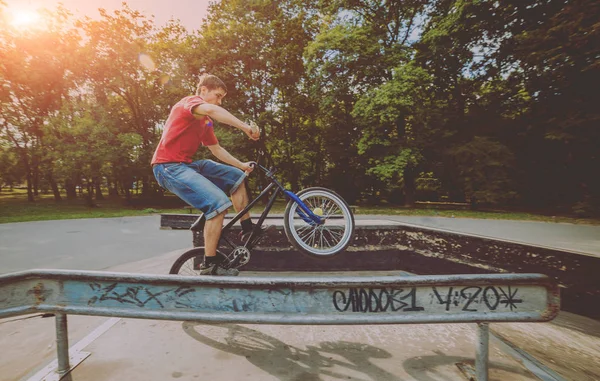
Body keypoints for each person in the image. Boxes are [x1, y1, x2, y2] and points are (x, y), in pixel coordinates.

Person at [151, 73, 264, 276]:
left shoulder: (205, 123)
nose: (219, 101)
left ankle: (247, 226)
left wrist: (242, 165)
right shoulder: (189, 103)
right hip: (168, 167)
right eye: (218, 95)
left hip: (188, 165)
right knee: (218, 204)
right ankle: (209, 263)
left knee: (236, 178)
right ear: (203, 91)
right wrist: (245, 127)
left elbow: (216, 149)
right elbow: (211, 108)